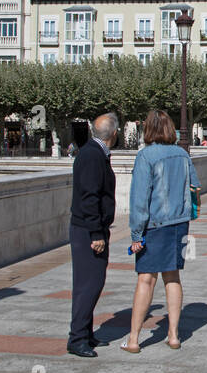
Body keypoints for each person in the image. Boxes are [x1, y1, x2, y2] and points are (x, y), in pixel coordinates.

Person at [126, 110, 200, 353]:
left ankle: (134, 339)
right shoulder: (182, 154)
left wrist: (136, 234)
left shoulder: (146, 156)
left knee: (146, 279)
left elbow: (139, 199)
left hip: (155, 225)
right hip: (179, 224)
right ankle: (174, 335)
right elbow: (195, 186)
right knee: (173, 277)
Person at [67, 112, 119, 357]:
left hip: (89, 228)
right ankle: (77, 338)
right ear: (114, 133)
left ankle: (85, 333)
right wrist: (96, 233)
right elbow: (90, 197)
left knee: (89, 283)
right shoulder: (92, 155)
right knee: (90, 283)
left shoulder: (93, 153)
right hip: (88, 231)